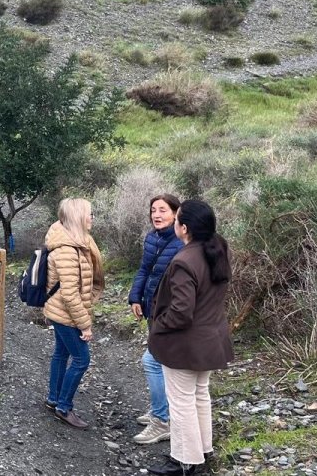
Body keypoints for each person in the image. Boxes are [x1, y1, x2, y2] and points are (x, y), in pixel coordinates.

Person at [147, 200, 234, 476]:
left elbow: (181, 313)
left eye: (176, 220)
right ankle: (203, 452)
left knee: (182, 401)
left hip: (185, 345)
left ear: (184, 228)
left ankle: (186, 461)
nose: (173, 223)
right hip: (211, 341)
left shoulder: (185, 261)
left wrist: (158, 325)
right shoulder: (218, 249)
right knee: (199, 396)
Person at [43, 198, 105, 429]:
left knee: (61, 354)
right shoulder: (67, 250)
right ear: (78, 217)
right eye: (89, 213)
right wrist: (85, 325)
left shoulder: (76, 243)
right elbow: (69, 295)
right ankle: (63, 406)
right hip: (66, 315)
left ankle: (53, 399)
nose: (92, 218)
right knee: (81, 359)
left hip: (60, 312)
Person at [128, 194, 184, 445]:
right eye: (153, 210)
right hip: (152, 307)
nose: (157, 215)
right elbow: (144, 269)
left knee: (155, 361)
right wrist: (135, 297)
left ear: (176, 214)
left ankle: (162, 419)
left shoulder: (182, 243)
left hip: (169, 312)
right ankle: (160, 410)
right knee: (159, 362)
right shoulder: (152, 237)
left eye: (163, 210)